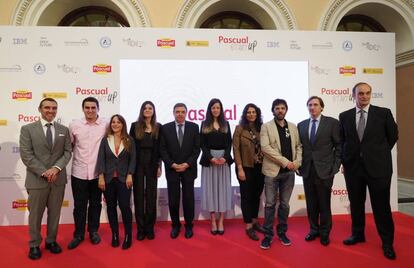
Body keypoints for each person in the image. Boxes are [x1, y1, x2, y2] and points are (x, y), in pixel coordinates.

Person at [339, 82, 398, 260]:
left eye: (367, 93)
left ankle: (387, 242)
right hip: (353, 168)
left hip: (379, 168)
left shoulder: (383, 113)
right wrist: (346, 160)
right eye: (360, 94)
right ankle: (358, 234)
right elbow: (343, 140)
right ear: (353, 95)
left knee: (382, 207)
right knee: (356, 204)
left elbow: (393, 136)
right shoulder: (345, 116)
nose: (364, 96)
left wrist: (376, 154)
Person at [19, 98, 72, 260]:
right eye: (47, 107)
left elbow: (67, 152)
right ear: (40, 109)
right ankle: (34, 244)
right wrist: (45, 172)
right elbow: (27, 155)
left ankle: (51, 241)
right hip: (37, 180)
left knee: (55, 213)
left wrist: (55, 169)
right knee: (35, 215)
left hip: (58, 179)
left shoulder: (63, 129)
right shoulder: (27, 129)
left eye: (54, 108)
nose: (51, 111)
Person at [297, 96, 341, 246]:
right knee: (311, 203)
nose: (312, 107)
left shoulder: (332, 123)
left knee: (324, 204)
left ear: (321, 107)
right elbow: (299, 148)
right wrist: (298, 166)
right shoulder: (301, 125)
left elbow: (339, 146)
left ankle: (325, 232)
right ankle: (313, 229)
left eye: (315, 105)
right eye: (309, 105)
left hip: (325, 171)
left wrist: (335, 167)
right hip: (307, 170)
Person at [260, 99, 302, 249]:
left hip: (289, 173)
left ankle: (282, 232)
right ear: (273, 111)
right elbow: (265, 148)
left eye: (282, 108)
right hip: (272, 172)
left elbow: (298, 146)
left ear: (286, 110)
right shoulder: (266, 127)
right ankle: (267, 235)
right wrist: (285, 162)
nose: (280, 110)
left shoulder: (293, 127)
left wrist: (296, 162)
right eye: (277, 108)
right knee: (270, 204)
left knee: (284, 205)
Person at [67, 97, 107, 249]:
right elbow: (69, 146)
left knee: (96, 204)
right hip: (79, 173)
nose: (90, 110)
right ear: (83, 109)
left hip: (98, 174)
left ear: (98, 109)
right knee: (79, 206)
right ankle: (78, 234)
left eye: (93, 108)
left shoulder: (105, 124)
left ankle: (93, 231)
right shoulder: (74, 125)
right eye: (87, 107)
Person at [160, 103, 201, 239]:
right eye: (177, 112)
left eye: (183, 112)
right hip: (172, 170)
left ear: (186, 113)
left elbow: (197, 149)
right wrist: (172, 164)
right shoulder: (165, 128)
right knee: (173, 200)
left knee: (189, 199)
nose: (180, 114)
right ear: (173, 113)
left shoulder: (194, 127)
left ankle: (189, 225)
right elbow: (163, 149)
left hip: (188, 169)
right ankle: (175, 225)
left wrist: (187, 164)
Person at [97, 114, 136, 250]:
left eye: (118, 122)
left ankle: (127, 236)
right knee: (111, 207)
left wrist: (130, 174)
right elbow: (101, 159)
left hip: (124, 179)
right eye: (113, 122)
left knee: (125, 207)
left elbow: (133, 159)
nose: (115, 124)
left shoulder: (129, 140)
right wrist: (101, 176)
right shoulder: (105, 140)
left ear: (123, 124)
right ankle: (114, 235)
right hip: (108, 180)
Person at [200, 98, 234, 235]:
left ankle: (221, 221)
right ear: (210, 109)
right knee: (211, 191)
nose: (215, 110)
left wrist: (224, 157)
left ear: (221, 110)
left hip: (223, 161)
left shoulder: (226, 124)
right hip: (209, 161)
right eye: (213, 108)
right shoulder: (204, 124)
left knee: (223, 190)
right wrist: (211, 158)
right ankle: (213, 220)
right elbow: (202, 143)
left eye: (218, 108)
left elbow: (229, 143)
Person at [129, 101, 162, 240]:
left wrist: (159, 165)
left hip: (152, 164)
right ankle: (141, 229)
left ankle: (150, 228)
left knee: (151, 196)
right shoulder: (134, 126)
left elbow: (160, 149)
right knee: (138, 196)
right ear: (142, 110)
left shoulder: (158, 127)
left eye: (150, 108)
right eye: (145, 108)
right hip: (138, 164)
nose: (147, 110)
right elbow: (130, 148)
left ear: (153, 111)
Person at [233, 103, 265, 241]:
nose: (251, 114)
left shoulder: (262, 128)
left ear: (257, 114)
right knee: (246, 196)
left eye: (253, 112)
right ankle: (248, 226)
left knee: (256, 195)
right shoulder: (239, 129)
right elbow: (235, 149)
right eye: (248, 112)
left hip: (260, 167)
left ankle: (254, 220)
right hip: (245, 167)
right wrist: (239, 168)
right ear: (244, 114)